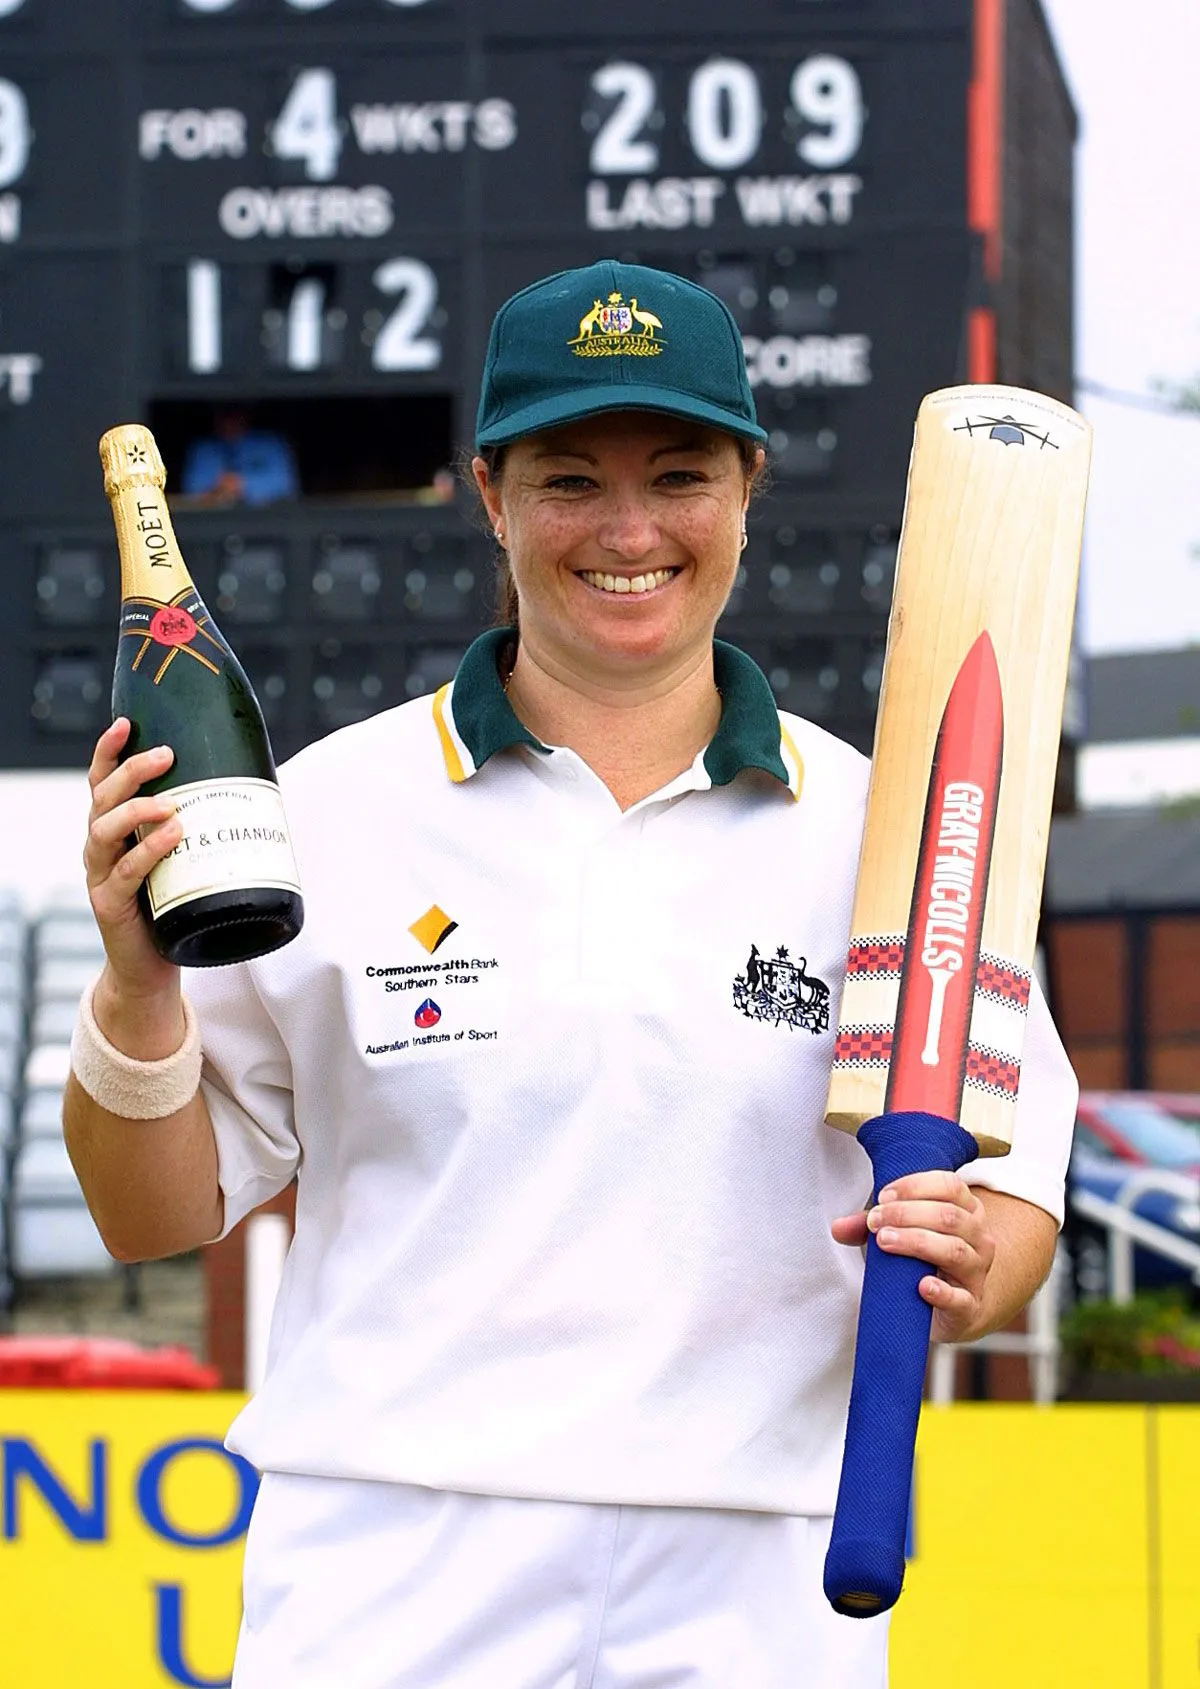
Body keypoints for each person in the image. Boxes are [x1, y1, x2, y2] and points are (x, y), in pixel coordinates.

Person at [65, 260, 1077, 1687]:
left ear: (746, 493)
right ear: (489, 493)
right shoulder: (336, 808)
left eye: (678, 475)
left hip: (760, 1571)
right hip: (393, 1562)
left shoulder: (893, 829)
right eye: (567, 480)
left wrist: (979, 1263)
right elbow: (146, 1210)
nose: (628, 530)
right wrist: (137, 989)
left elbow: (1013, 1193)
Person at [180, 406, 299, 507]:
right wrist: (218, 489)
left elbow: (286, 485)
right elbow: (191, 492)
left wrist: (243, 484)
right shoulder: (204, 449)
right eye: (225, 416)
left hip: (263, 522)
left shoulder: (270, 444)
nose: (229, 422)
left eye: (234, 416)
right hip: (214, 524)